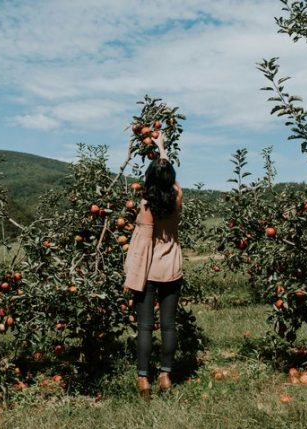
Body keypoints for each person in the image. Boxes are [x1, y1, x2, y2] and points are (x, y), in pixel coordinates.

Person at [123, 133, 183, 398]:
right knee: (168, 325)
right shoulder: (178, 196)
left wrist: (132, 279)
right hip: (172, 268)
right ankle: (166, 374)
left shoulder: (147, 206)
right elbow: (166, 174)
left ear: (148, 179)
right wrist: (162, 148)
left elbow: (142, 248)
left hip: (148, 272)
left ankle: (143, 381)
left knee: (145, 327)